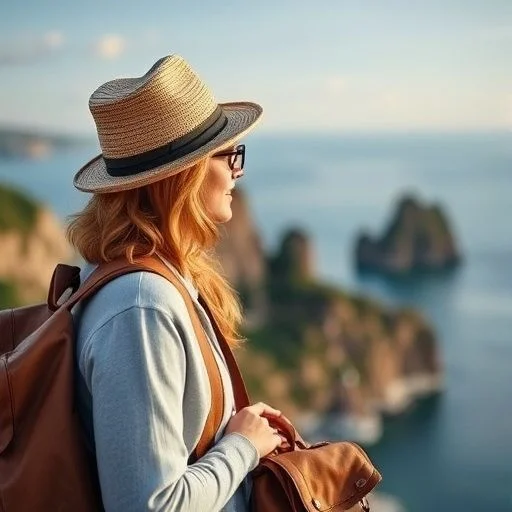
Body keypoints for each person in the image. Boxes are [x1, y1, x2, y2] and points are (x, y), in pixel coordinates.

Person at [68, 54, 287, 512]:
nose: (237, 171)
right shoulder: (141, 306)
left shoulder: (156, 280)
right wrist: (243, 448)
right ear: (183, 176)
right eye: (228, 155)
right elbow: (149, 506)